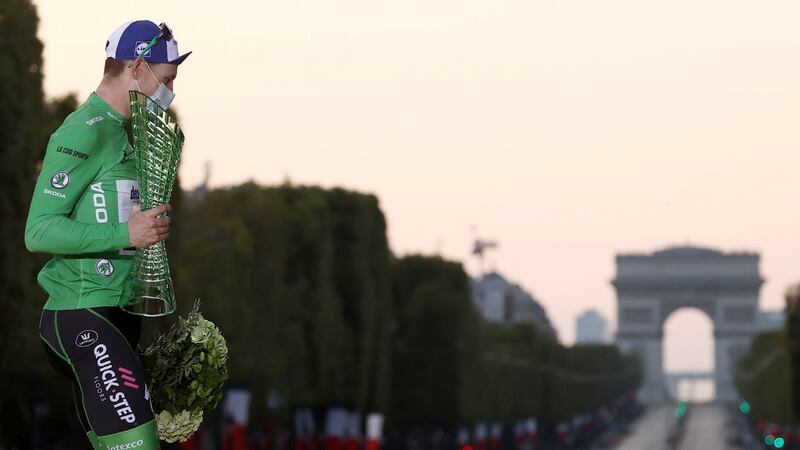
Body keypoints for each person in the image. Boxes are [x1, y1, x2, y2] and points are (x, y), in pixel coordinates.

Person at [24, 19, 190, 450]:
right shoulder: (85, 130)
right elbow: (38, 230)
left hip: (119, 314)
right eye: (166, 79)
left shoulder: (128, 133)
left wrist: (146, 232)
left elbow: (116, 224)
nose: (169, 92)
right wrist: (127, 231)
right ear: (137, 67)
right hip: (84, 315)